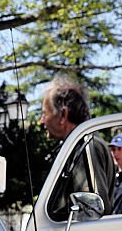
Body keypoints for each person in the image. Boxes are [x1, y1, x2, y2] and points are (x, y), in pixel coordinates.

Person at [38, 77, 115, 220]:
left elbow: (91, 213)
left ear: (62, 115)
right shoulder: (78, 145)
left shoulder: (86, 146)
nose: (41, 121)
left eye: (44, 113)